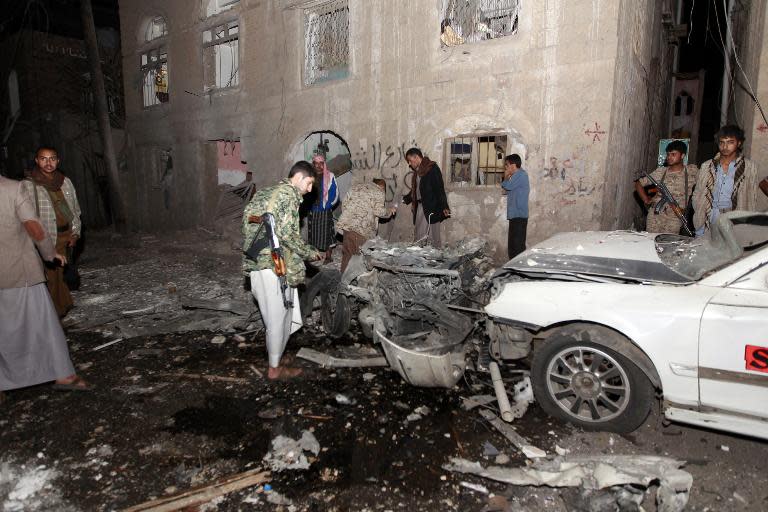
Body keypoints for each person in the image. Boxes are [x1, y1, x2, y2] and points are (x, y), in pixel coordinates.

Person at [1, 175, 90, 403]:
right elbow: (35, 228)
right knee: (42, 324)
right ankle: (63, 376)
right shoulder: (12, 189)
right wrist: (50, 254)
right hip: (21, 271)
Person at [242, 161, 322, 380]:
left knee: (285, 311)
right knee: (277, 318)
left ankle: (276, 356)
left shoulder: (270, 192)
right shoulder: (287, 195)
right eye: (309, 183)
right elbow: (287, 234)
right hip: (272, 265)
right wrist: (310, 252)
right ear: (298, 177)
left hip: (263, 263)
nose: (309, 189)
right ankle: (274, 370)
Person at [22, 147, 82, 318]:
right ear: (36, 160)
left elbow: (75, 209)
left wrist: (75, 233)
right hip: (45, 237)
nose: (48, 163)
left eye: (52, 159)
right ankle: (53, 314)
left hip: (65, 234)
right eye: (43, 159)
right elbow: (27, 217)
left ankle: (64, 305)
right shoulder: (28, 185)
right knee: (49, 276)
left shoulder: (65, 182)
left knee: (60, 273)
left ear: (58, 160)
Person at [692, 125, 768, 236]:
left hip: (733, 218)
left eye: (730, 142)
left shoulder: (749, 167)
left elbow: (751, 197)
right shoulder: (707, 166)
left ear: (739, 143)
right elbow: (697, 192)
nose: (725, 146)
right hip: (707, 216)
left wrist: (745, 220)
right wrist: (699, 209)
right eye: (722, 142)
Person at [635, 140, 698, 235]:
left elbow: (706, 181)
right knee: (650, 243)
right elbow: (639, 184)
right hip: (655, 216)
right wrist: (645, 199)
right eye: (668, 154)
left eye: (673, 154)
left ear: (682, 156)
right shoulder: (661, 171)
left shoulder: (691, 171)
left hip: (675, 216)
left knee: (669, 245)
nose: (669, 157)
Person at [336, 178, 396, 272]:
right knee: (359, 259)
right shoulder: (379, 191)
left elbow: (344, 205)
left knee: (347, 254)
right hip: (361, 230)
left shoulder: (356, 187)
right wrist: (390, 211)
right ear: (382, 187)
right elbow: (379, 211)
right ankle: (357, 281)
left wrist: (349, 220)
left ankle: (343, 281)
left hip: (346, 226)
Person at [402, 148, 450, 247]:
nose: (409, 164)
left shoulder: (432, 168)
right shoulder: (418, 172)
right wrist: (404, 199)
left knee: (432, 235)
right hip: (421, 207)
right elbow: (415, 191)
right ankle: (421, 259)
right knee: (420, 235)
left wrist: (444, 206)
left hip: (431, 206)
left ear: (416, 157)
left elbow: (439, 188)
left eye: (410, 160)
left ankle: (434, 259)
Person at [306, 154, 339, 262]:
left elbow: (335, 194)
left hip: (325, 210)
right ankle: (315, 255)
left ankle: (328, 256)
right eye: (316, 163)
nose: (319, 166)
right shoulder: (309, 177)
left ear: (324, 164)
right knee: (313, 234)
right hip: (312, 210)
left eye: (321, 163)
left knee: (327, 234)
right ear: (313, 164)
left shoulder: (330, 176)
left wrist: (328, 205)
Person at [501, 154, 530, 259]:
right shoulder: (515, 177)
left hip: (519, 216)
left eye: (507, 165)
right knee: (513, 246)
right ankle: (514, 270)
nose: (506, 167)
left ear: (513, 165)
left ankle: (519, 269)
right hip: (515, 216)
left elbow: (506, 186)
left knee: (517, 247)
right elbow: (506, 190)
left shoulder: (521, 175)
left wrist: (505, 176)